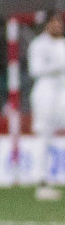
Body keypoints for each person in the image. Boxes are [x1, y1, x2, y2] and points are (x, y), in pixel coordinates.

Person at [27, 11, 65, 200]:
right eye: (55, 22)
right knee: (44, 135)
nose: (59, 26)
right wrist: (58, 67)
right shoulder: (38, 44)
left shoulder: (62, 43)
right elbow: (35, 69)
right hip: (45, 94)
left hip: (63, 94)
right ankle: (42, 182)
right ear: (48, 24)